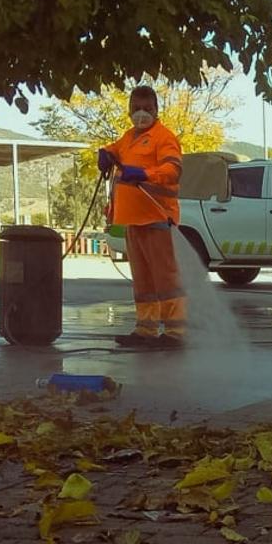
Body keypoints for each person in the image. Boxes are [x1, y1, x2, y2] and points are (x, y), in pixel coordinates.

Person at [99, 86, 186, 348]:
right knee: (144, 281)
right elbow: (114, 149)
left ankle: (175, 332)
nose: (141, 114)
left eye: (147, 109)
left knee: (166, 280)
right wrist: (105, 154)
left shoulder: (163, 137)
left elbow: (173, 169)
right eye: (136, 108)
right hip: (133, 220)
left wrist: (145, 174)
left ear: (157, 109)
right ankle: (146, 329)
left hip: (157, 218)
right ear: (129, 110)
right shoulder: (129, 138)